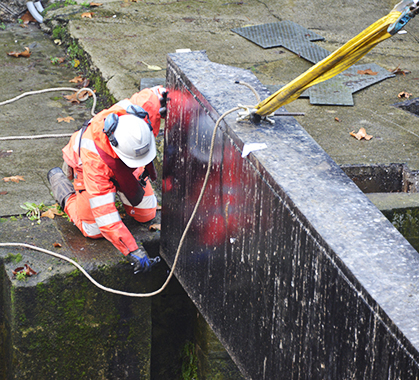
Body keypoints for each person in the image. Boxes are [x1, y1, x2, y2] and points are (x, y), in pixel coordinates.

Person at [47, 86, 168, 274]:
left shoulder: (141, 113)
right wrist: (132, 250)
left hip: (125, 166)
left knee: (147, 213)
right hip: (83, 167)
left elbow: (157, 94)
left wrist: (170, 99)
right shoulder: (94, 161)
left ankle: (122, 186)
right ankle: (62, 188)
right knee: (93, 229)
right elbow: (105, 215)